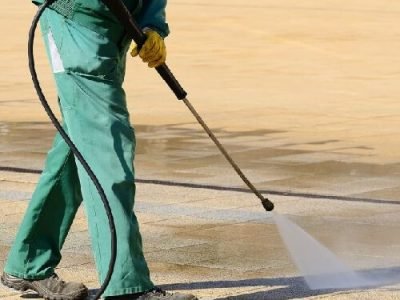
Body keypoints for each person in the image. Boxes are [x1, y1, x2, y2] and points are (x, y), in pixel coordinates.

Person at [1, 0, 197, 299]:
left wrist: (151, 24)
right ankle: (125, 286)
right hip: (74, 24)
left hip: (113, 28)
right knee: (108, 146)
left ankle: (28, 261)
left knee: (80, 143)